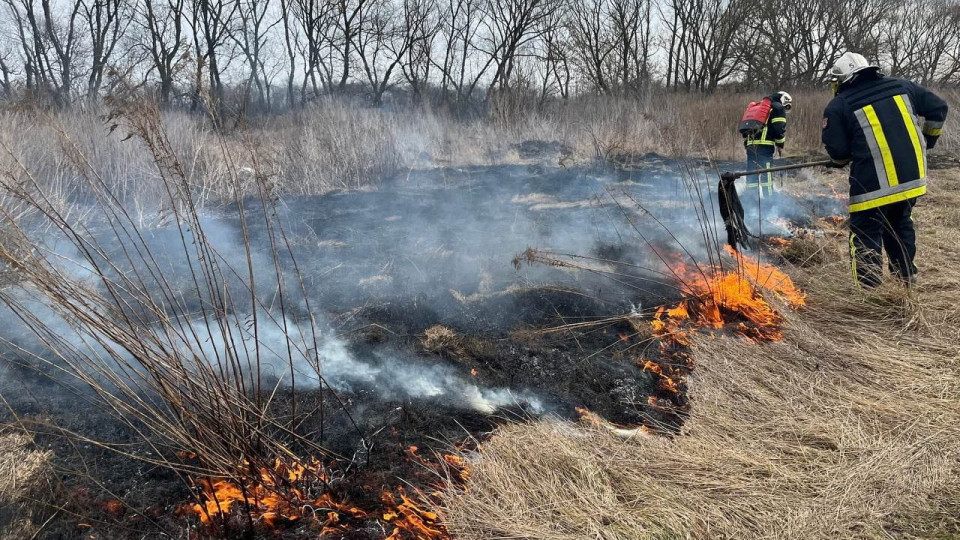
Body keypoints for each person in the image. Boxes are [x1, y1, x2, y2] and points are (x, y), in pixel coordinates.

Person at [821, 51, 948, 288]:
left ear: (842, 80)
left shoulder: (839, 105)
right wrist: (927, 141)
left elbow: (838, 154)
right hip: (911, 178)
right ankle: (906, 279)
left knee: (865, 232)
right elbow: (938, 107)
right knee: (900, 224)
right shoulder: (903, 86)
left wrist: (840, 159)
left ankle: (870, 293)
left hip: (871, 185)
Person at [744, 91, 792, 197]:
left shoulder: (760, 107)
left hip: (750, 145)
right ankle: (769, 199)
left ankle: (751, 199)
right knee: (767, 173)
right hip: (764, 146)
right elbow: (779, 128)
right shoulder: (777, 108)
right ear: (783, 99)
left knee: (752, 172)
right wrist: (780, 144)